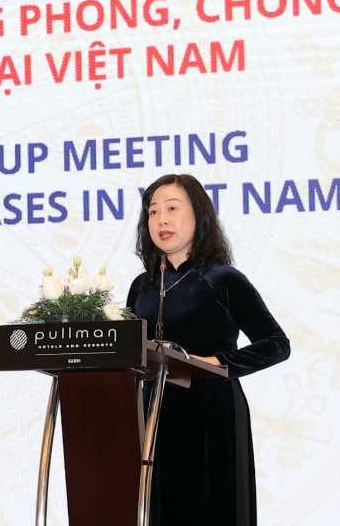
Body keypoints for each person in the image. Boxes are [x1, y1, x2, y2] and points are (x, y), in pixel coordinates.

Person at [126, 174, 290, 525]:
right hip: (154, 418)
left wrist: (215, 361)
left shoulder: (223, 278)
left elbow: (276, 344)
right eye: (153, 212)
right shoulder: (141, 286)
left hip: (210, 415)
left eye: (172, 208)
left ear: (199, 215)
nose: (161, 220)